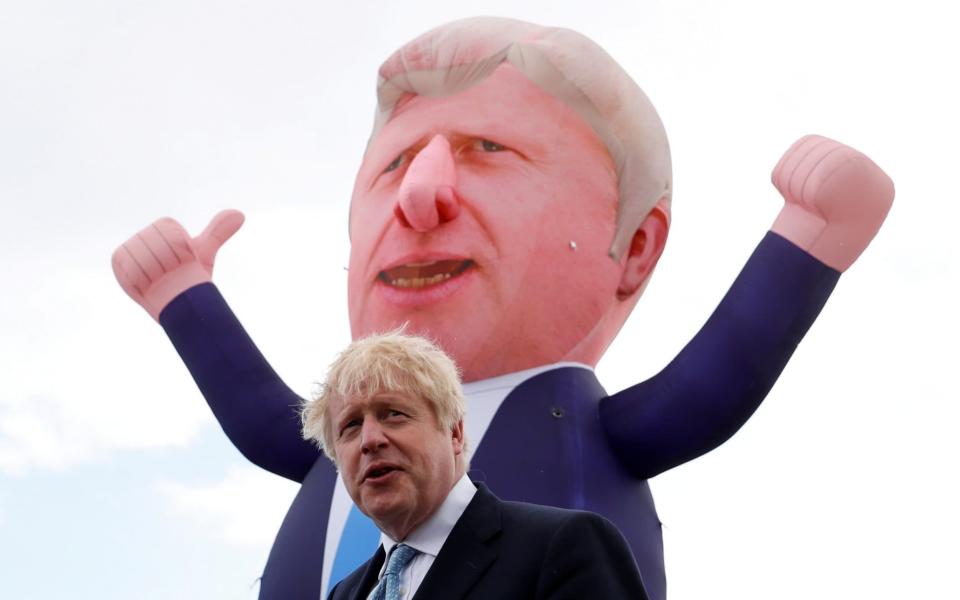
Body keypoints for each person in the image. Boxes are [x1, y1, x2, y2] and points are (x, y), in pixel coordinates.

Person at [111, 17, 893, 600]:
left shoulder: (571, 534)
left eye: (490, 151)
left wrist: (813, 236)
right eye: (396, 165)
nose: (421, 195)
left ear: (639, 245)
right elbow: (264, 420)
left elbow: (713, 386)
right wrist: (185, 298)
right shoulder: (355, 555)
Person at [302, 330, 649, 600]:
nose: (369, 439)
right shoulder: (345, 594)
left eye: (393, 414)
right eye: (350, 426)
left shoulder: (563, 546)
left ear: (454, 432)